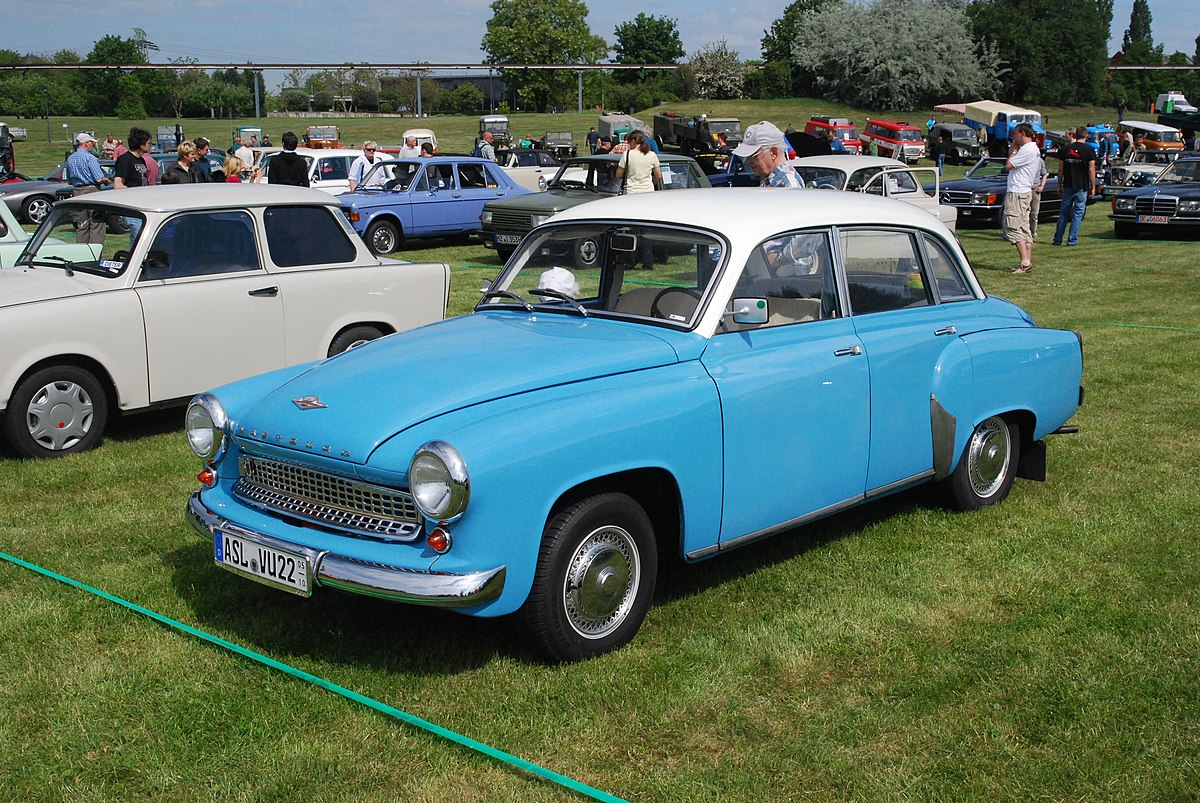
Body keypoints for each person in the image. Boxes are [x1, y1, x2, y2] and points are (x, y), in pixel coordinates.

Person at [614, 131, 662, 270]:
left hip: (632, 194)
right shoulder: (651, 155)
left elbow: (619, 174)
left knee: (631, 229)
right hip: (647, 194)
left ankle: (630, 261)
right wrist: (650, 183)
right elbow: (658, 175)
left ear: (634, 141)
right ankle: (648, 262)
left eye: (629, 141)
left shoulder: (628, 155)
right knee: (646, 230)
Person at [1003, 123, 1040, 274]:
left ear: (1023, 133)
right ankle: (1027, 262)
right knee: (1024, 227)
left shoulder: (1027, 149)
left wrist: (1013, 150)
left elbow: (1009, 165)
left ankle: (1025, 261)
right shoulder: (1033, 149)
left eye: (1016, 134)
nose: (1014, 137)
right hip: (1024, 191)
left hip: (1017, 192)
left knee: (1013, 225)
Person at [1053, 126, 1097, 248]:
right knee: (1077, 214)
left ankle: (1057, 239)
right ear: (1086, 135)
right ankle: (1072, 240)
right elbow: (1091, 169)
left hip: (1068, 184)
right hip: (1081, 186)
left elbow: (1060, 169)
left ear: (1074, 135)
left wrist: (1059, 185)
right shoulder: (1089, 150)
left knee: (1063, 213)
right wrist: (1093, 186)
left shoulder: (1066, 149)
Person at [64, 132, 111, 244]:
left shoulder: (70, 159)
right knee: (97, 224)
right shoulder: (90, 158)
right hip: (92, 191)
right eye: (91, 143)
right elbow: (99, 178)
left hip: (77, 192)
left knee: (82, 225)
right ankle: (95, 253)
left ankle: (81, 252)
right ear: (85, 144)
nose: (92, 145)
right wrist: (107, 180)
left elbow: (69, 180)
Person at [733, 121, 806, 188]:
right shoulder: (769, 178)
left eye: (753, 156)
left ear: (773, 153)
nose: (749, 161)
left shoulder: (789, 184)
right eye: (747, 157)